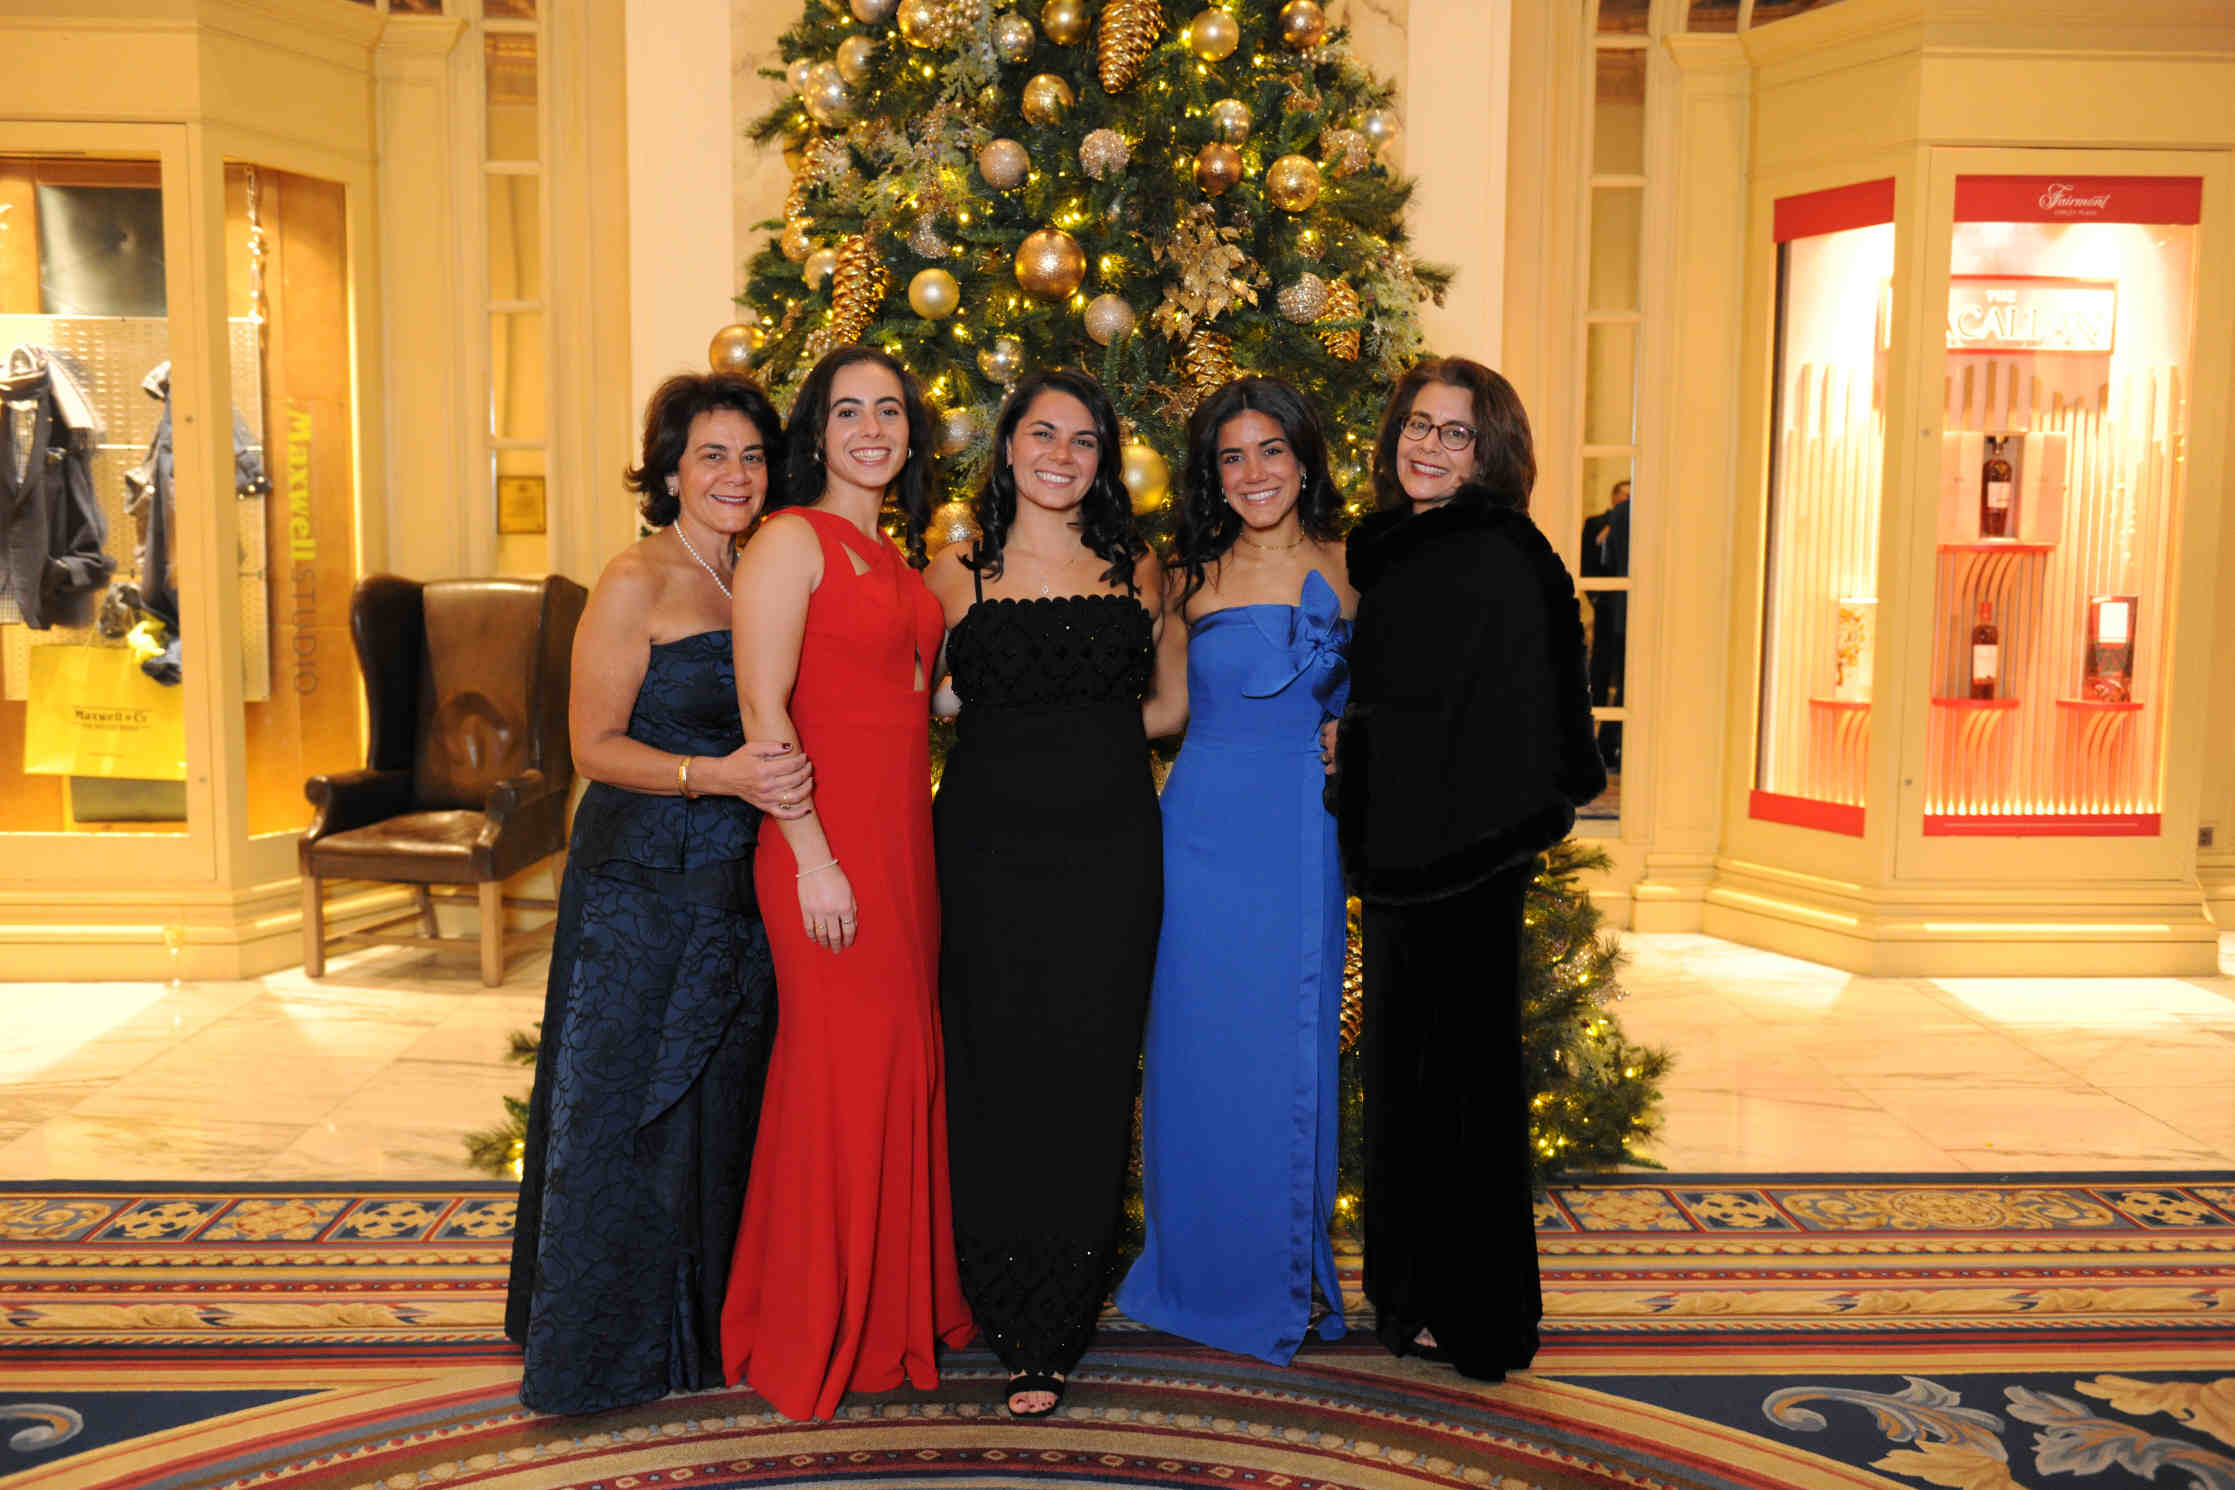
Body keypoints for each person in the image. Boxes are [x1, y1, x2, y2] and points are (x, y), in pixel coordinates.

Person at [507, 373, 807, 1415]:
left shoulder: (761, 570)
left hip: (739, 885)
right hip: (639, 888)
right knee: (627, 1110)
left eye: (752, 456)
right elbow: (592, 746)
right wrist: (712, 775)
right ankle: (604, 1350)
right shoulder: (634, 577)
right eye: (712, 455)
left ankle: (703, 1333)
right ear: (670, 471)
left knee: (717, 1110)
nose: (736, 475)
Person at [1334, 357, 1605, 1383]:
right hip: (1407, 857)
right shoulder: (1400, 546)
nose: (1429, 445)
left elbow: (1509, 716)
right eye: (1419, 424)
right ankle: (1416, 1296)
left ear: (1490, 452)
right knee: (1412, 1087)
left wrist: (1364, 747)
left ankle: (1480, 1315)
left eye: (1456, 432)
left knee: (1462, 1092)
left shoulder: (1493, 550)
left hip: (1465, 862)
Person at [720, 344, 974, 1420]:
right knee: (838, 1079)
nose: (872, 429)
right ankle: (815, 1324)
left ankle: (889, 1310)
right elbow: (762, 710)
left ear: (911, 433)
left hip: (903, 852)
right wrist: (813, 856)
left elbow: (927, 700)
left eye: (889, 411)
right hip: (823, 851)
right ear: (816, 433)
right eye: (848, 412)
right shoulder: (790, 539)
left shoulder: (904, 563)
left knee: (897, 1072)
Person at [924, 369, 1162, 1418]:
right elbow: (906, 700)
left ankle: (1056, 1319)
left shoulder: (1138, 568)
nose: (1061, 455)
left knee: (1089, 1075)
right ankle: (997, 1295)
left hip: (1111, 856)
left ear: (1103, 459)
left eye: (1083, 439)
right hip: (984, 856)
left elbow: (1168, 705)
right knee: (991, 1069)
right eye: (1042, 433)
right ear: (1008, 445)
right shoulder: (952, 573)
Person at [1114, 376, 1355, 1365]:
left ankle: (1281, 1277)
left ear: (1303, 458)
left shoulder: (1355, 565)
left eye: (1271, 450)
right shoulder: (1185, 576)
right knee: (1197, 1054)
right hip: (1201, 836)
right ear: (1212, 474)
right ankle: (1200, 1275)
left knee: (1290, 1052)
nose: (1254, 472)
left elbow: (1402, 692)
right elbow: (1167, 710)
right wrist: (1048, 732)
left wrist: (1357, 730)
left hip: (1302, 836)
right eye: (1231, 456)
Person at [1580, 480, 1630, 771]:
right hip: (1608, 606)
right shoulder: (1599, 522)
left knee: (1623, 676)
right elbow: (1590, 559)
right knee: (1600, 670)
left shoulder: (1628, 519)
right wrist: (1597, 598)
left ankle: (1608, 744)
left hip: (1626, 605)